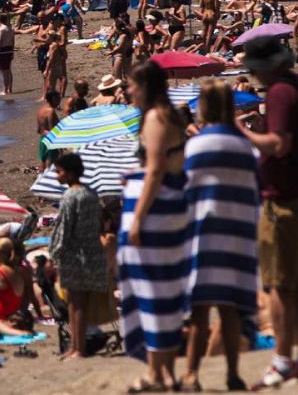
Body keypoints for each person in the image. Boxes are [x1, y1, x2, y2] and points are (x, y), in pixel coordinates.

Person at [239, 35, 298, 388]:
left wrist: (242, 131)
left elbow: (278, 145)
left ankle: (282, 361)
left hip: (285, 196)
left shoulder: (280, 93)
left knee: (277, 283)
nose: (255, 77)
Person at [181, 81, 258, 392]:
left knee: (198, 310)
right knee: (230, 309)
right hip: (237, 231)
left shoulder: (198, 144)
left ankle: (190, 374)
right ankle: (233, 373)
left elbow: (186, 190)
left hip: (203, 232)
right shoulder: (243, 144)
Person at [118, 60, 190, 392]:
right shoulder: (164, 115)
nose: (127, 90)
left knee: (155, 292)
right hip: (159, 208)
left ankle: (161, 373)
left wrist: (138, 219)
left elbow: (157, 171)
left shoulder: (156, 117)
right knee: (157, 292)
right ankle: (158, 373)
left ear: (145, 86)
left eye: (131, 85)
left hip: (156, 213)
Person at [49, 151, 109, 361]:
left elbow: (64, 230)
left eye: (60, 171)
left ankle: (78, 348)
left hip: (75, 255)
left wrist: (54, 254)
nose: (57, 176)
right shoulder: (91, 193)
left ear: (71, 173)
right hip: (92, 253)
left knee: (76, 304)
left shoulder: (69, 196)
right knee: (77, 303)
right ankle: (75, 346)